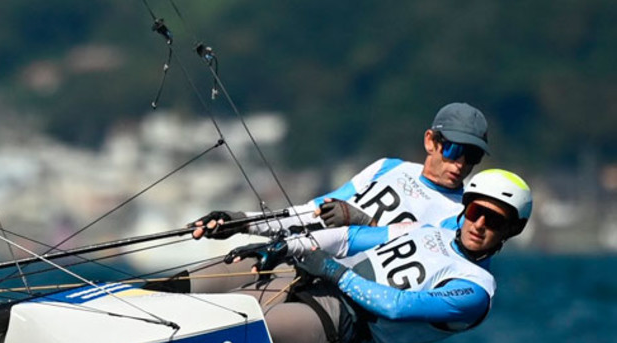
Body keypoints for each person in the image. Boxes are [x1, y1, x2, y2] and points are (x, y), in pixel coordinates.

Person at [215, 168, 532, 343]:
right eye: (476, 212)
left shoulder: (475, 290)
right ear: (465, 208)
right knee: (209, 304)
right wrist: (287, 246)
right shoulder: (427, 229)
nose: (479, 225)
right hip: (313, 284)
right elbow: (347, 238)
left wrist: (332, 271)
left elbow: (397, 307)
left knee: (235, 325)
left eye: (494, 221)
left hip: (339, 325)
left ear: (511, 231)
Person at [165, 102, 492, 294]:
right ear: (431, 141)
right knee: (174, 289)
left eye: (472, 156)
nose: (460, 163)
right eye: (453, 149)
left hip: (329, 287)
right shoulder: (386, 168)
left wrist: (364, 221)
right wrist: (241, 222)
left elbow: (416, 259)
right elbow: (312, 212)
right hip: (286, 255)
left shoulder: (461, 215)